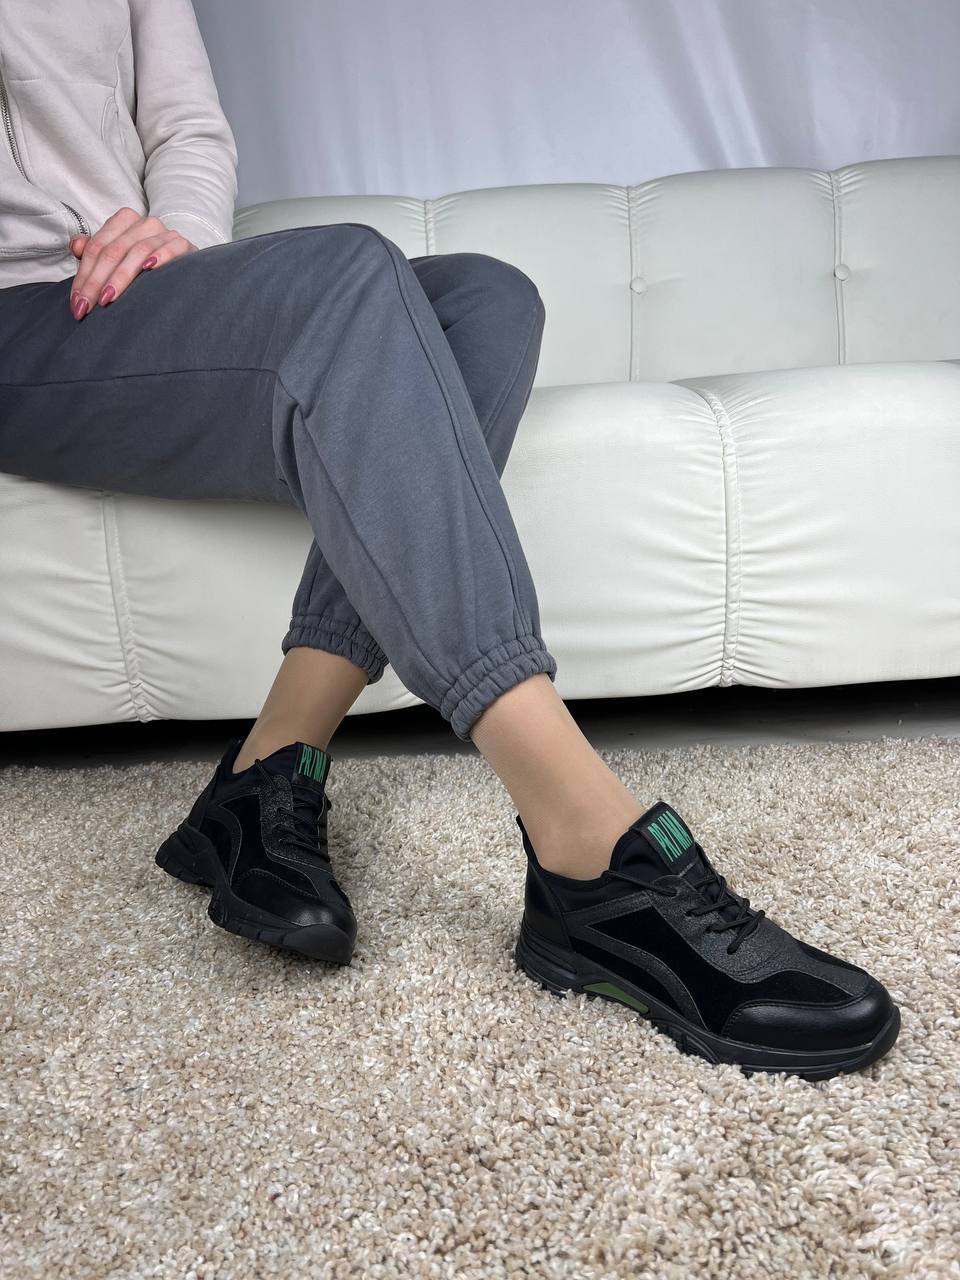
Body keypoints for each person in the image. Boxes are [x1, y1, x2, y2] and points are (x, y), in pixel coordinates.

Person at [0, 0, 900, 1079]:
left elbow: (185, 124)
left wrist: (173, 232)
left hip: (146, 294)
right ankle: (587, 851)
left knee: (485, 299)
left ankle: (267, 768)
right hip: (17, 320)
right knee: (343, 272)